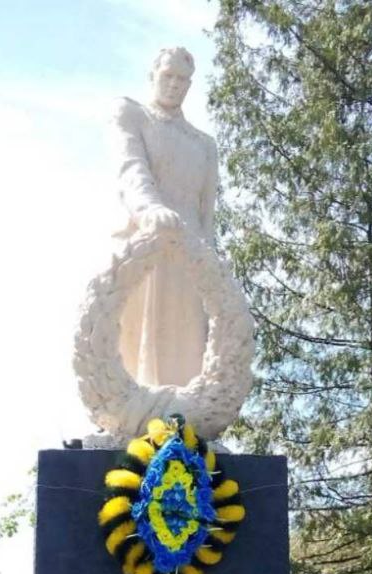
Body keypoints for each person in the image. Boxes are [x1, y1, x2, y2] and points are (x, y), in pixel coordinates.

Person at [113, 46, 218, 387]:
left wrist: (210, 268)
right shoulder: (133, 114)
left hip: (189, 250)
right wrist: (150, 209)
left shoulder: (204, 145)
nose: (174, 84)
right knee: (138, 351)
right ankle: (139, 410)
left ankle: (187, 413)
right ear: (153, 75)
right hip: (146, 239)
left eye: (182, 79)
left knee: (187, 348)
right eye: (168, 75)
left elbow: (207, 213)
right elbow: (131, 169)